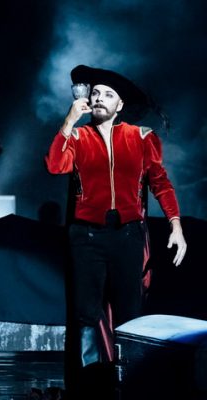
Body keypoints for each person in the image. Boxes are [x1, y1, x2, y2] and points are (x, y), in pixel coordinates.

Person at [44, 66, 187, 392]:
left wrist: (175, 225)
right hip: (86, 237)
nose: (99, 98)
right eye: (95, 93)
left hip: (126, 235)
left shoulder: (141, 137)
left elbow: (160, 183)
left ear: (120, 105)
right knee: (86, 313)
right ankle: (88, 385)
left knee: (129, 312)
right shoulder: (78, 137)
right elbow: (54, 165)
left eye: (107, 94)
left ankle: (128, 381)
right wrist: (68, 122)